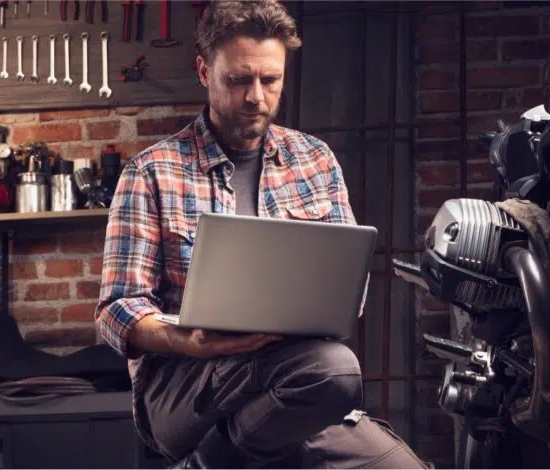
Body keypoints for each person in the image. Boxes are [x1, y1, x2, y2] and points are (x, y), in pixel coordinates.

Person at [95, 1, 429, 468]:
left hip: (294, 381)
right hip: (188, 383)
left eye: (270, 80)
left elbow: (347, 288)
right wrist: (186, 339)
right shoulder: (151, 172)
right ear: (203, 71)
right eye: (238, 80)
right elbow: (117, 310)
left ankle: (212, 463)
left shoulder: (315, 159)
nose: (256, 96)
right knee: (334, 370)